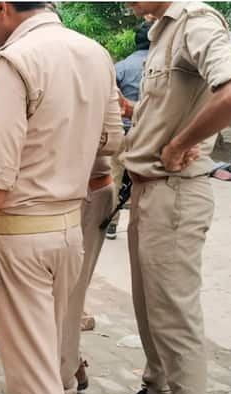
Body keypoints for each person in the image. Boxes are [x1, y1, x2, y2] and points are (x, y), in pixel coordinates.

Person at [0, 3, 123, 394]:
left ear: (2, 7)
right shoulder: (94, 52)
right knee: (47, 357)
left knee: (33, 386)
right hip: (69, 227)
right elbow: (111, 139)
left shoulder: (14, 60)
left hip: (21, 235)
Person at [100, 2, 231, 394]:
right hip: (150, 190)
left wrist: (178, 144)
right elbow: (175, 103)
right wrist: (137, 115)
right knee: (151, 310)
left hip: (175, 192)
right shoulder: (162, 31)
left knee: (174, 319)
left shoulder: (196, 22)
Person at [105, 20, 153, 240]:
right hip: (149, 132)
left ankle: (111, 225)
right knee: (144, 180)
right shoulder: (161, 65)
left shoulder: (122, 66)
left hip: (121, 131)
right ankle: (142, 225)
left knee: (114, 176)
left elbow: (110, 97)